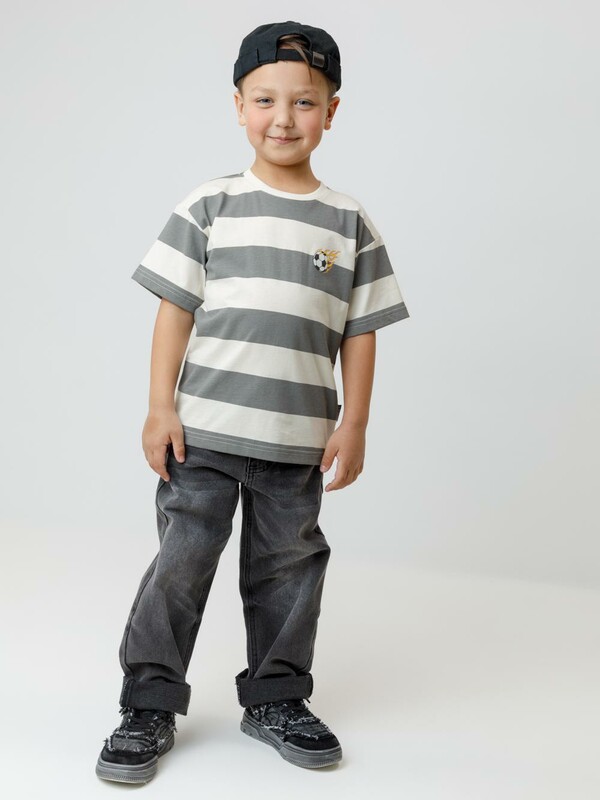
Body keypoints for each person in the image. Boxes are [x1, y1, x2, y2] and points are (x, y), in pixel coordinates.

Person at [95, 20, 410, 783]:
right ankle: (148, 702)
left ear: (331, 111)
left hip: (297, 442)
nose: (283, 118)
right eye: (265, 99)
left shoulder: (349, 223)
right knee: (181, 565)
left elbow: (361, 332)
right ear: (238, 105)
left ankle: (276, 696)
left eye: (304, 102)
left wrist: (356, 423)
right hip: (202, 434)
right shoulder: (212, 205)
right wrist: (160, 407)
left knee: (289, 570)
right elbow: (174, 310)